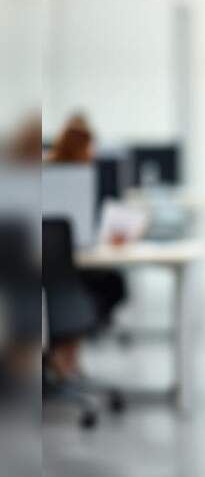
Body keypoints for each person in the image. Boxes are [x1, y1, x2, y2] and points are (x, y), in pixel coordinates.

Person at [44, 114, 128, 378]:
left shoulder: (48, 174)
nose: (93, 152)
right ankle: (65, 356)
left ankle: (64, 355)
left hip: (54, 268)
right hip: (63, 269)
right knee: (105, 284)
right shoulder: (75, 177)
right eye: (90, 146)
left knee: (96, 284)